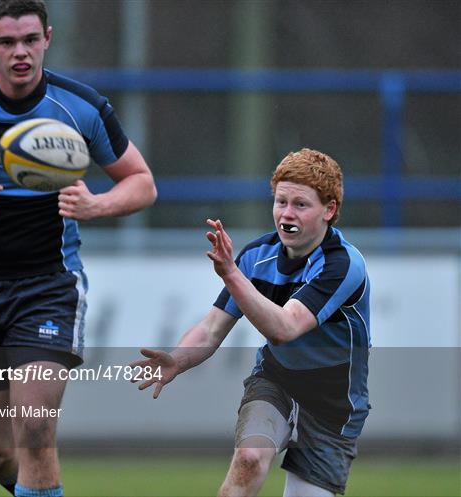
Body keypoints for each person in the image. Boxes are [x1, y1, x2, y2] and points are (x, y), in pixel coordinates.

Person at [0, 0, 156, 496]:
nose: (20, 52)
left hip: (48, 288)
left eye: (30, 40)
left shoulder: (81, 107)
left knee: (33, 427)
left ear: (47, 37)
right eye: (7, 42)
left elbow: (141, 182)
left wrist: (96, 206)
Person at [132, 148, 370, 497]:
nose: (286, 214)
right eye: (280, 202)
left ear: (329, 210)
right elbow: (212, 328)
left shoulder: (343, 265)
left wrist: (230, 273)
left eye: (300, 205)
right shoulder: (256, 257)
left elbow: (284, 328)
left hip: (332, 403)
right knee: (249, 458)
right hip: (277, 382)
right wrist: (178, 358)